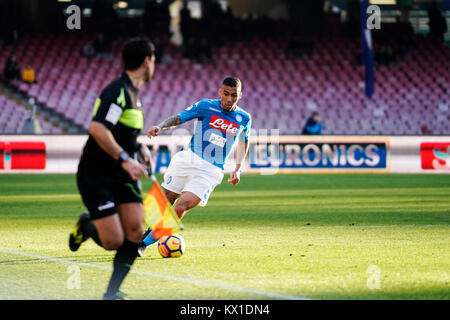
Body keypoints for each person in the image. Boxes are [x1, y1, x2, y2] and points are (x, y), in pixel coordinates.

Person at [68, 37, 156, 300]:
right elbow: (98, 128)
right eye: (153, 61)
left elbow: (121, 132)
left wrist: (138, 147)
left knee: (135, 232)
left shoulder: (133, 95)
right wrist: (125, 159)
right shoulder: (117, 91)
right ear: (146, 61)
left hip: (121, 173)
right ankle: (86, 225)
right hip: (96, 173)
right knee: (113, 241)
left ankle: (111, 294)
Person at [138, 77, 252, 256]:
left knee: (181, 207)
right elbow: (179, 118)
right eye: (226, 94)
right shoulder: (205, 105)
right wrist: (160, 127)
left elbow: (244, 142)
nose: (229, 99)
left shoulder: (244, 118)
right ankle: (148, 233)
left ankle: (142, 244)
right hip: (188, 160)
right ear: (220, 92)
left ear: (240, 95)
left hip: (210, 171)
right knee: (165, 201)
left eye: (234, 96)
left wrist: (237, 168)